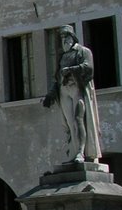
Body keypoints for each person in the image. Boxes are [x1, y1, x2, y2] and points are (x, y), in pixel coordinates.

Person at [42, 25, 102, 163]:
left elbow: (89, 67)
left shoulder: (83, 51)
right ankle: (74, 151)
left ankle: (81, 152)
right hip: (64, 91)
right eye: (62, 38)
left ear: (73, 37)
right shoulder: (62, 57)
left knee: (78, 119)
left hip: (77, 89)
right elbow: (57, 78)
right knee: (70, 124)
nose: (64, 40)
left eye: (66, 37)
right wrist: (50, 94)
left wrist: (71, 69)